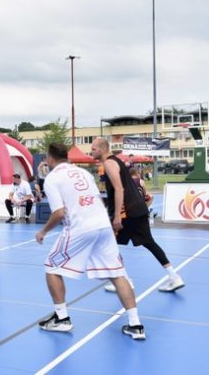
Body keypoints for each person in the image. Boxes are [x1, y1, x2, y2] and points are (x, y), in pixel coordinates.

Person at [35, 143, 145, 340]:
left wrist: (43, 231)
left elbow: (59, 213)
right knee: (118, 274)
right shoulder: (83, 173)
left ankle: (62, 318)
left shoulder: (52, 178)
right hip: (103, 225)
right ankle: (135, 324)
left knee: (51, 267)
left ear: (50, 159)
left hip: (80, 227)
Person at [91, 138, 184, 293]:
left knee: (108, 244)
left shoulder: (109, 163)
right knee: (149, 242)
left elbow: (119, 189)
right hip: (139, 208)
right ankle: (174, 277)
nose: (91, 151)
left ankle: (125, 281)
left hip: (127, 211)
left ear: (101, 149)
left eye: (93, 148)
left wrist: (117, 216)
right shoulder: (117, 161)